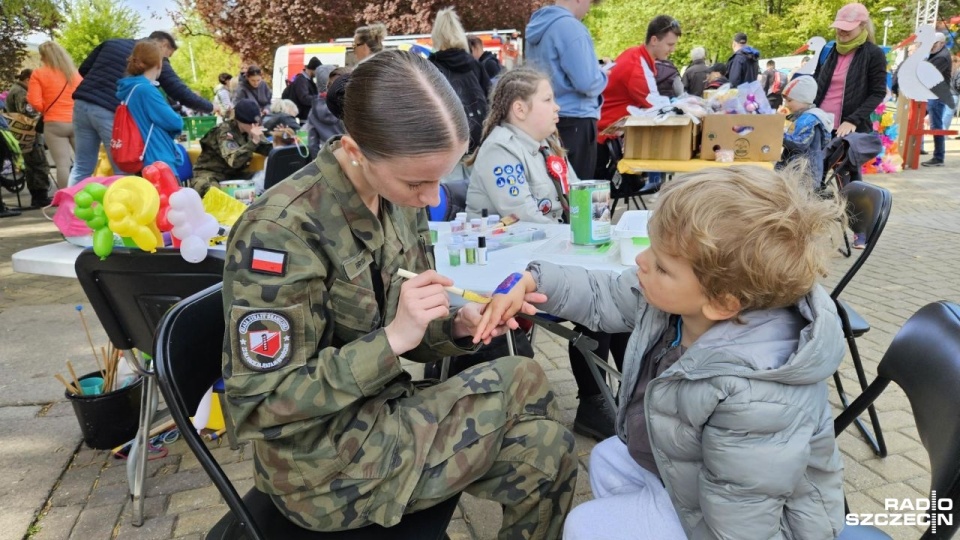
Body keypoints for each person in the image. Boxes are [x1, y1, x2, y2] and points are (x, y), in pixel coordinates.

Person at [221, 49, 576, 537]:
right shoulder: (280, 233)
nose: (433, 199)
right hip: (321, 467)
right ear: (354, 151)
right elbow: (260, 405)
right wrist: (392, 339)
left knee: (541, 436)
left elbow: (407, 321)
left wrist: (453, 325)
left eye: (442, 177)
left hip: (384, 413)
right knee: (532, 407)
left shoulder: (395, 196)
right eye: (419, 181)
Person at [475, 164, 847, 540]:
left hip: (752, 525)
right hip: (692, 481)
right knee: (607, 457)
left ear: (721, 303)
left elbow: (742, 519)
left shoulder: (756, 396)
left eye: (663, 266)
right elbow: (602, 294)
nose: (641, 260)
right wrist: (533, 279)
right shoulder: (679, 304)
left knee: (585, 526)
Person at [68, 31, 212, 185]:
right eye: (167, 57)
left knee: (82, 165)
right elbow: (179, 91)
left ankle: (68, 206)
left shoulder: (112, 42)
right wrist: (209, 106)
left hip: (82, 102)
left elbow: (84, 69)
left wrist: (98, 86)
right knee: (124, 167)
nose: (164, 63)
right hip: (110, 109)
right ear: (163, 45)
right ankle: (125, 207)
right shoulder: (152, 63)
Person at [465, 68, 575, 224]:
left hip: (548, 239)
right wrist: (571, 236)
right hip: (508, 244)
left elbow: (579, 193)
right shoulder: (499, 150)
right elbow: (524, 218)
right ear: (520, 110)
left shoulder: (549, 144)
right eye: (547, 100)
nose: (557, 107)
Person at [526, 0, 607, 180]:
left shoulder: (537, 26)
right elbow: (587, 82)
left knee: (555, 190)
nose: (588, 8)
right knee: (578, 192)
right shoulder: (571, 28)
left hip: (547, 118)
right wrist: (603, 75)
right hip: (576, 120)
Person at [596, 15, 681, 177]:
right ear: (654, 40)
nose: (672, 50)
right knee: (597, 191)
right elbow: (657, 107)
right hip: (602, 134)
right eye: (669, 44)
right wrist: (682, 108)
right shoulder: (638, 67)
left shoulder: (634, 54)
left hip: (602, 130)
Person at [813, 2, 886, 140]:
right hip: (818, 125)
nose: (842, 31)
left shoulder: (874, 54)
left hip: (848, 131)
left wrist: (853, 120)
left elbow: (877, 93)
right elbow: (815, 82)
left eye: (847, 28)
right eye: (839, 27)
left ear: (862, 25)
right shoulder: (828, 49)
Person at [115, 41, 184, 175]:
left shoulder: (129, 89)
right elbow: (174, 122)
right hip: (157, 156)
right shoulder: (147, 90)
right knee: (169, 195)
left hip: (141, 155)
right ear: (159, 64)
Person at [428, 8, 491, 154]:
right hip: (480, 137)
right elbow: (491, 97)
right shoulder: (475, 64)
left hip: (449, 141)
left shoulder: (430, 68)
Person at [191, 98, 274, 196]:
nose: (254, 126)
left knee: (268, 178)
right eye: (250, 123)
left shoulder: (249, 130)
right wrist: (254, 142)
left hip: (232, 176)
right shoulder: (224, 132)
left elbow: (268, 150)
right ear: (240, 120)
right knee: (215, 195)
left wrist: (281, 142)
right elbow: (234, 161)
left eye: (256, 123)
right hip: (210, 175)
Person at [27, 41, 81, 190]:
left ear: (44, 56)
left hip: (54, 122)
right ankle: (90, 196)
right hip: (77, 121)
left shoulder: (39, 73)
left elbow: (34, 100)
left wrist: (47, 109)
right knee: (84, 162)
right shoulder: (74, 73)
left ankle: (66, 200)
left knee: (62, 165)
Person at [6, 69, 52, 208]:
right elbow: (28, 113)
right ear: (28, 80)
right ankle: (40, 196)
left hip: (23, 134)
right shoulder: (22, 93)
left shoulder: (15, 90)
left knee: (33, 165)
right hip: (29, 134)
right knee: (39, 164)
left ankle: (39, 196)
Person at [778, 77, 834, 185]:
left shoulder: (808, 119)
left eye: (790, 100)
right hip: (802, 171)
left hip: (804, 174)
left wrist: (778, 135)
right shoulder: (803, 117)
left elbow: (799, 143)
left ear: (804, 100)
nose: (786, 104)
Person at [922, 32, 954, 167]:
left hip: (937, 95)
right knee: (927, 123)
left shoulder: (942, 57)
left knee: (936, 126)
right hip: (933, 94)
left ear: (941, 43)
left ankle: (938, 157)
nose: (931, 46)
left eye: (933, 44)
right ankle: (919, 149)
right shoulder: (938, 54)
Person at [306, 66, 347, 158]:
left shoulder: (313, 111)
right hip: (350, 157)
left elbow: (312, 144)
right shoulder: (348, 105)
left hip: (327, 159)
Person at [289, 57, 320, 122]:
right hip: (304, 117)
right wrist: (319, 98)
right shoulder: (302, 80)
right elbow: (304, 98)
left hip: (306, 116)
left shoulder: (306, 80)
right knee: (304, 132)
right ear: (313, 69)